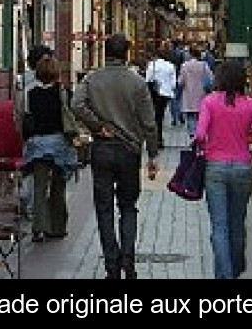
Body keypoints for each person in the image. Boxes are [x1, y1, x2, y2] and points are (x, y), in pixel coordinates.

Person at [71, 33, 159, 279]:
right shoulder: (137, 83)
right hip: (130, 150)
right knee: (128, 206)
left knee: (104, 207)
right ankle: (128, 260)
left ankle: (112, 264)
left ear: (105, 52)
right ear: (126, 54)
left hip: (102, 149)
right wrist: (152, 154)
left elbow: (76, 104)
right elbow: (149, 123)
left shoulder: (92, 79)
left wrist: (97, 126)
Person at [193, 58, 252, 279]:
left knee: (219, 227)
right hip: (242, 167)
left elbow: (200, 135)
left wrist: (203, 147)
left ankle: (225, 275)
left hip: (215, 168)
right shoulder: (251, 105)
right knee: (237, 223)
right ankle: (235, 269)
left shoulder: (209, 102)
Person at [21, 54, 78, 242]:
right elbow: (70, 116)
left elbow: (23, 118)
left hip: (37, 145)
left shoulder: (29, 93)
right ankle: (57, 227)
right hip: (59, 144)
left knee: (39, 187)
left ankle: (38, 227)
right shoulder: (63, 92)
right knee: (58, 186)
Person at [15, 44, 54, 217]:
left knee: (30, 166)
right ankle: (32, 204)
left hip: (29, 130)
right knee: (42, 171)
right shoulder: (46, 82)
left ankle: (27, 198)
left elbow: (19, 109)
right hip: (45, 131)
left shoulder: (23, 80)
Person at [177, 44, 213, 138]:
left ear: (190, 54)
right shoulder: (204, 65)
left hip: (189, 94)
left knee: (190, 116)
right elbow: (210, 78)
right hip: (201, 94)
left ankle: (192, 135)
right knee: (200, 115)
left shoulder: (185, 65)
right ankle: (200, 134)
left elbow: (180, 81)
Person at [145, 47, 176, 148]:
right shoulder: (170, 66)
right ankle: (159, 139)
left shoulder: (152, 65)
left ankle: (156, 139)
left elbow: (148, 79)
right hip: (165, 94)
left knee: (154, 117)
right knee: (160, 116)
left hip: (154, 94)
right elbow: (173, 83)